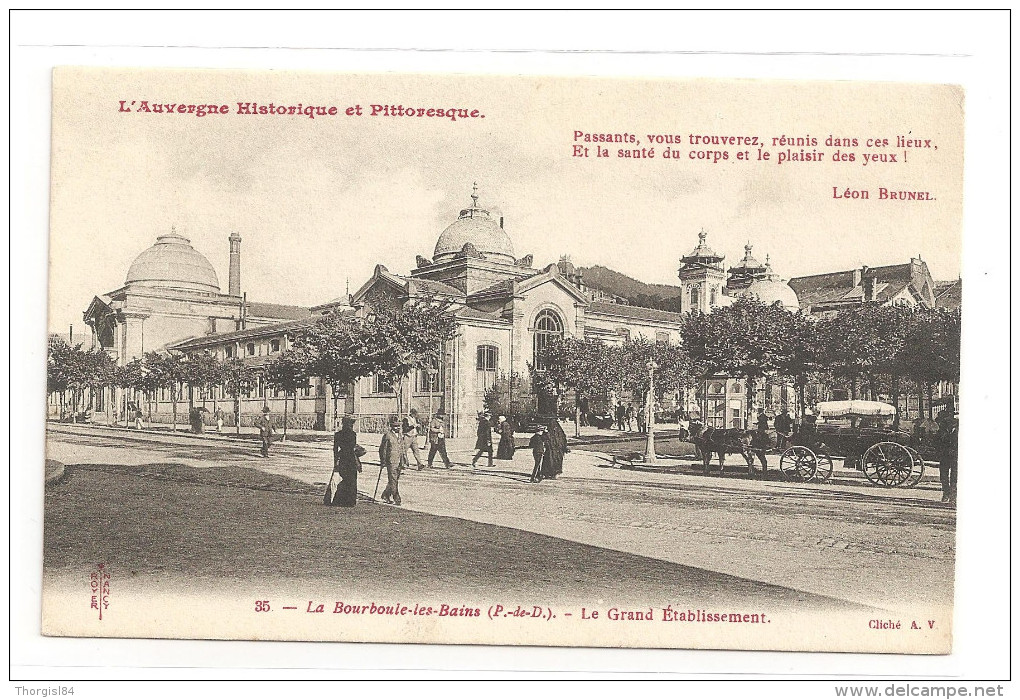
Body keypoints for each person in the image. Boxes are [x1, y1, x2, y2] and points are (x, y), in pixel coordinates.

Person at [328, 416, 364, 507]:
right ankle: (350, 501)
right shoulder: (352, 434)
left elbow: (335, 449)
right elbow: (352, 449)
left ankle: (339, 499)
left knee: (344, 478)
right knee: (351, 480)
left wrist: (335, 461)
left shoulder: (338, 435)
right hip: (351, 459)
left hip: (342, 458)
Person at [934, 410, 959, 504]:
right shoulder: (941, 431)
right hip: (944, 456)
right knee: (943, 476)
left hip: (955, 457)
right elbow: (936, 442)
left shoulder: (959, 432)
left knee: (954, 477)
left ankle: (953, 496)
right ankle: (946, 493)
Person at [379, 417, 404, 506]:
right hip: (391, 461)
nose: (398, 428)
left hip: (399, 461)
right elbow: (383, 449)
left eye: (399, 426)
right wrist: (383, 461)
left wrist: (405, 459)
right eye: (395, 426)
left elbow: (402, 448)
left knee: (394, 479)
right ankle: (397, 498)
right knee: (393, 480)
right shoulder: (387, 435)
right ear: (391, 426)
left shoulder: (400, 435)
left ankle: (386, 494)